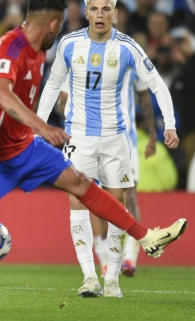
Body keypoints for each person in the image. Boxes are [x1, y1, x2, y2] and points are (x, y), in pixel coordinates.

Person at [0, 0, 187, 319]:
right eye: (60, 25)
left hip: (23, 147)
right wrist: (44, 126)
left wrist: (34, 130)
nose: (60, 31)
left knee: (80, 183)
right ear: (52, 24)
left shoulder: (38, 53)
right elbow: (2, 96)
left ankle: (147, 236)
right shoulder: (10, 47)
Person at [37, 0, 180, 298]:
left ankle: (112, 280)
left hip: (117, 139)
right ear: (86, 12)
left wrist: (169, 125)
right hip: (79, 137)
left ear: (115, 13)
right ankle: (90, 277)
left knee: (118, 207)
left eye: (106, 9)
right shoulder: (69, 45)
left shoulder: (128, 48)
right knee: (78, 203)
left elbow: (157, 85)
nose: (99, 15)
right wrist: (38, 127)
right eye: (94, 9)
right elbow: (52, 86)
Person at [56, 71, 158, 279]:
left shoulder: (128, 57)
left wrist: (152, 136)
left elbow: (144, 97)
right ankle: (104, 260)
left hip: (124, 140)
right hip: (87, 140)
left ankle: (130, 258)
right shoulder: (78, 57)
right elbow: (63, 99)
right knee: (92, 198)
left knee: (127, 197)